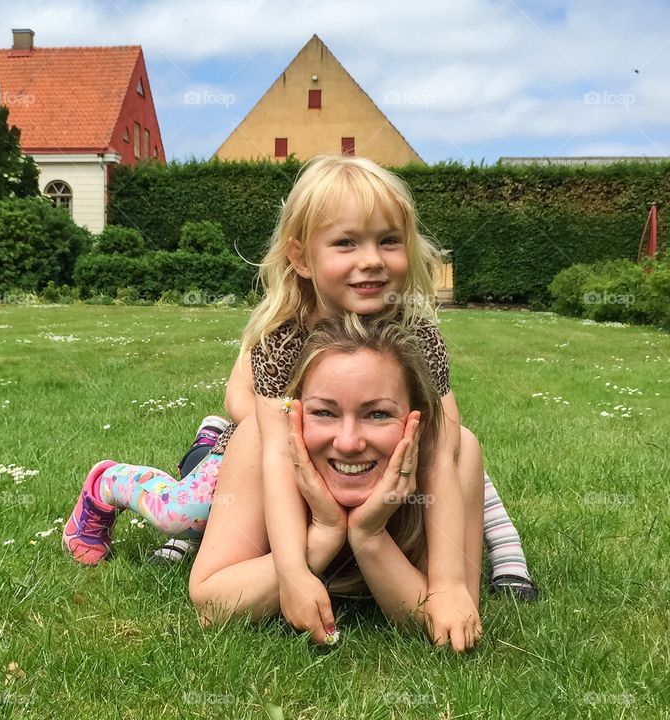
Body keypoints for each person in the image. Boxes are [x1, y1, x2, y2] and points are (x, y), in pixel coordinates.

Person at [63, 155, 534, 651]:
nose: (371, 258)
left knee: (463, 453)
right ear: (302, 257)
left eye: (389, 240)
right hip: (269, 450)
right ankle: (110, 482)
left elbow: (443, 449)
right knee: (189, 510)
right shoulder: (282, 334)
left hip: (357, 466)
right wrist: (292, 567)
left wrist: (449, 584)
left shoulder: (417, 334)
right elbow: (273, 452)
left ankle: (499, 544)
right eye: (347, 242)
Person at [189, 314, 483, 649]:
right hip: (214, 467)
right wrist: (325, 533)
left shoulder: (453, 455)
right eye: (324, 413)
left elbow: (453, 622)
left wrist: (369, 535)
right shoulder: (260, 442)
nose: (347, 442)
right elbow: (212, 604)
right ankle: (207, 436)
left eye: (378, 414)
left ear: (419, 420)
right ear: (294, 414)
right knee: (186, 508)